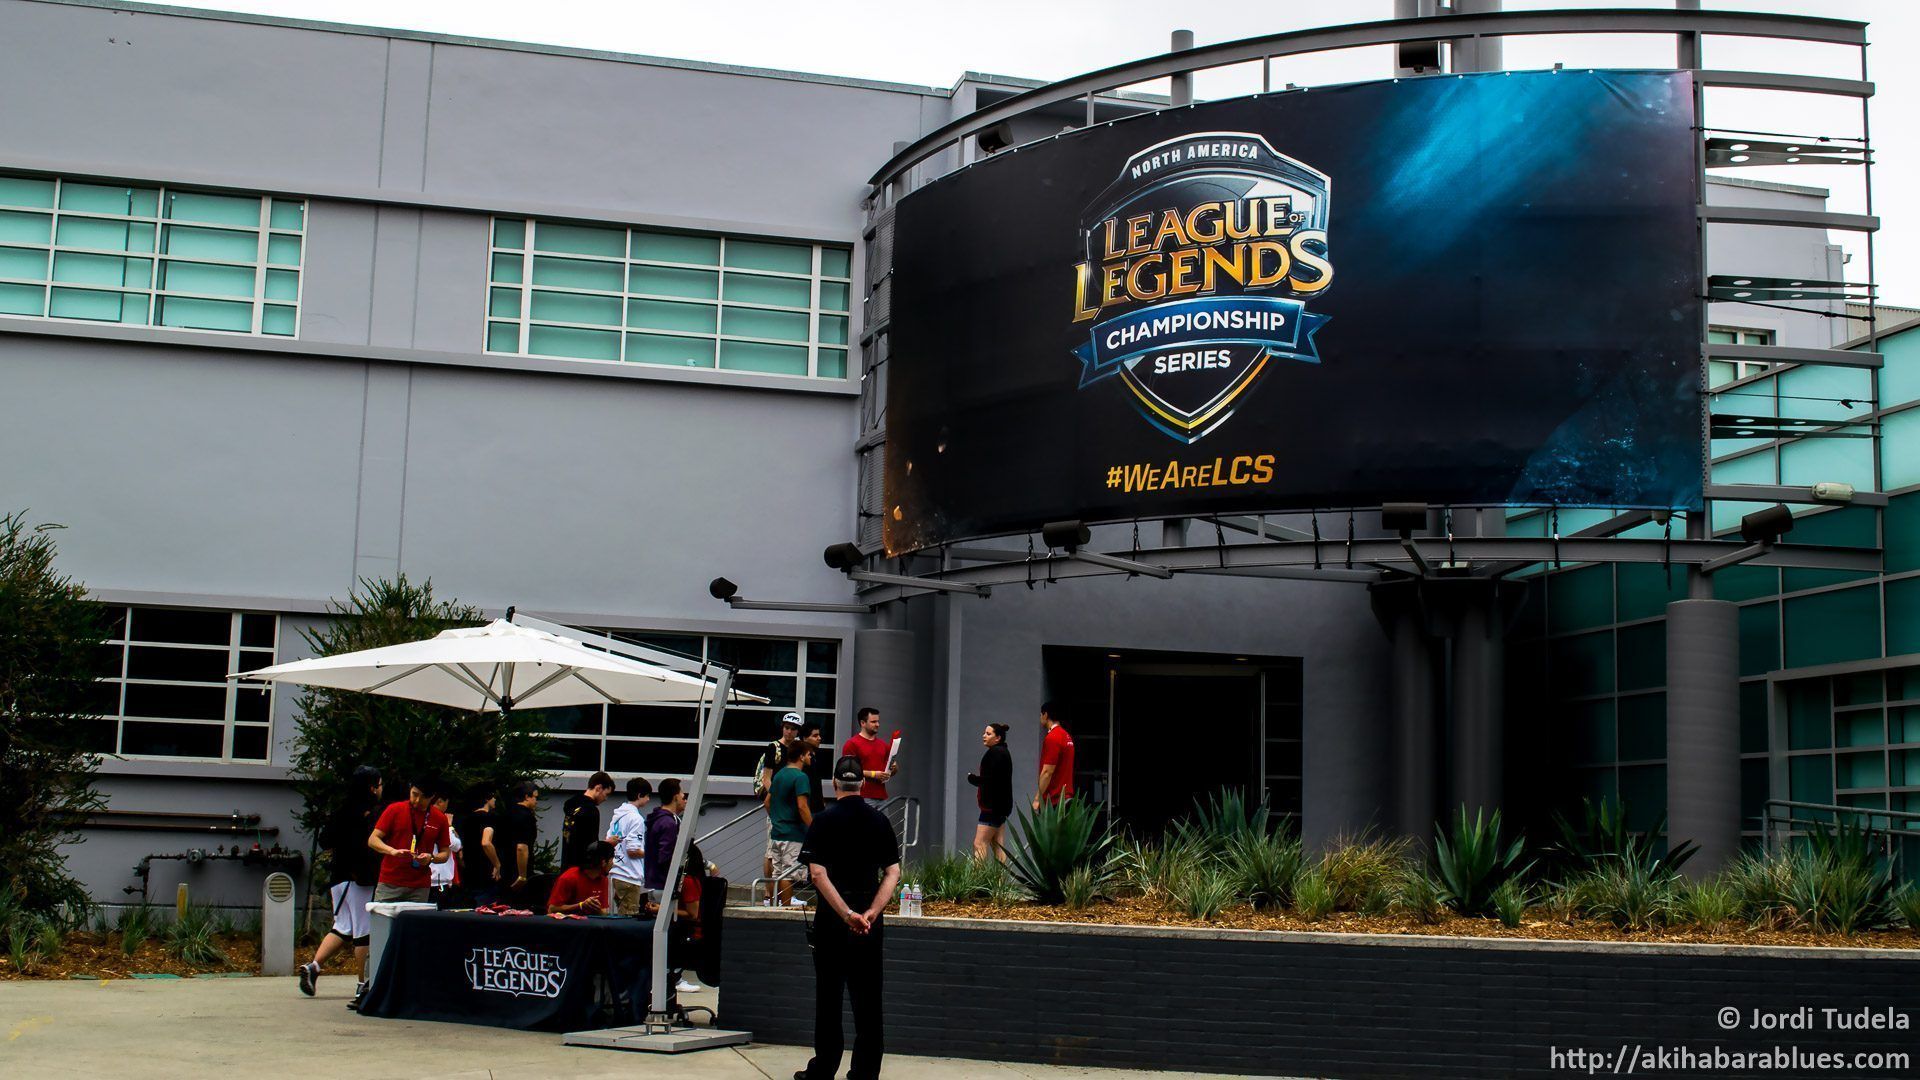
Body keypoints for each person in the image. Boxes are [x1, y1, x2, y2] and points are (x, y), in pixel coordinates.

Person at [797, 756, 901, 1080]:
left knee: (829, 999)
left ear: (834, 783)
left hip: (832, 923)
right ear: (863, 783)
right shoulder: (879, 821)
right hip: (869, 926)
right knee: (868, 1001)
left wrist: (846, 914)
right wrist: (871, 912)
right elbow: (893, 872)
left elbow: (817, 874)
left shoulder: (823, 821)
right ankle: (865, 1072)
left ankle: (823, 1069)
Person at [298, 764, 382, 998]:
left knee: (343, 927)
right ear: (372, 787)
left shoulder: (342, 809)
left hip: (338, 877)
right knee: (363, 932)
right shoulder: (369, 813)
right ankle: (363, 984)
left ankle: (314, 967)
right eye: (379, 784)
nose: (381, 789)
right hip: (359, 879)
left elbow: (325, 840)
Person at [367, 778, 451, 904]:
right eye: (414, 794)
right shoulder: (395, 809)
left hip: (420, 886)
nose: (417, 800)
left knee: (415, 917)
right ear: (410, 790)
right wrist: (392, 851)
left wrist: (432, 858)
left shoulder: (439, 818)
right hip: (390, 882)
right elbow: (373, 839)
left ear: (432, 797)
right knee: (383, 916)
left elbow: (445, 853)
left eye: (423, 797)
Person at [757, 712, 804, 884]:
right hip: (778, 805)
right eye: (786, 728)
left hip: (793, 807)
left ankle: (780, 891)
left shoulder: (799, 748)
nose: (789, 732)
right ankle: (769, 892)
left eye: (793, 729)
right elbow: (766, 778)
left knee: (787, 850)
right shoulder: (774, 748)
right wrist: (777, 798)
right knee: (772, 851)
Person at [767, 740, 815, 904]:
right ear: (801, 756)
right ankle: (785, 910)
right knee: (789, 874)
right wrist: (813, 828)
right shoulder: (801, 777)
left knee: (777, 873)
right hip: (793, 834)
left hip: (777, 832)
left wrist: (776, 818)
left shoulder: (779, 774)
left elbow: (767, 802)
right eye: (808, 754)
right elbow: (802, 806)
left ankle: (773, 908)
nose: (811, 757)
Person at [967, 722, 1013, 861]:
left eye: (988, 734)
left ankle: (978, 875)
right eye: (984, 733)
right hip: (1002, 807)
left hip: (991, 807)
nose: (984, 736)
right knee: (998, 845)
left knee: (979, 844)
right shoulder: (1003, 752)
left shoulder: (994, 753)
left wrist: (973, 778)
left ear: (998, 738)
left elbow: (990, 780)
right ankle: (1001, 876)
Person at [607, 776, 652, 915]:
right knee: (629, 917)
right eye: (647, 796)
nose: (649, 799)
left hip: (616, 872)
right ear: (639, 795)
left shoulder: (617, 816)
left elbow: (609, 840)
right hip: (629, 875)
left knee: (618, 915)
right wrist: (653, 853)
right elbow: (633, 851)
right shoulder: (636, 819)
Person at [453, 787, 502, 906]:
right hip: (485, 872)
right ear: (486, 799)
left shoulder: (465, 820)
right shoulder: (488, 818)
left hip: (469, 872)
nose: (495, 799)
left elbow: (460, 848)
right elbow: (486, 842)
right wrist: (497, 864)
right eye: (493, 797)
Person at [560, 771, 615, 870]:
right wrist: (607, 843)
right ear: (598, 788)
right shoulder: (591, 811)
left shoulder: (572, 806)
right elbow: (591, 846)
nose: (606, 798)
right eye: (606, 794)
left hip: (567, 866)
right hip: (583, 869)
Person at [840, 706, 896, 803]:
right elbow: (848, 771)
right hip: (861, 796)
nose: (877, 724)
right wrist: (873, 774)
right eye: (873, 722)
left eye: (878, 721)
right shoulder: (852, 744)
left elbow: (890, 771)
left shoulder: (883, 745)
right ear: (863, 723)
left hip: (882, 797)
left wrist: (894, 768)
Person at [497, 781, 541, 906]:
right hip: (518, 870)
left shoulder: (507, 813)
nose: (536, 801)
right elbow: (521, 847)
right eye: (535, 797)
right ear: (527, 797)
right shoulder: (526, 816)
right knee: (520, 907)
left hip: (505, 867)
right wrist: (522, 876)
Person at [643, 778, 686, 894]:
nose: (684, 797)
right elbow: (665, 856)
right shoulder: (668, 823)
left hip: (653, 881)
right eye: (681, 793)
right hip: (663, 884)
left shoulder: (658, 819)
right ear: (675, 797)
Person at [547, 840, 614, 914]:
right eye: (611, 860)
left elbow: (604, 912)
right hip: (568, 920)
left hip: (590, 921)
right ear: (603, 862)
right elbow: (552, 909)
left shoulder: (603, 879)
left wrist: (596, 908)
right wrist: (581, 905)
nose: (613, 864)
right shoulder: (569, 877)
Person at [1033, 701, 1076, 810]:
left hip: (1054, 800)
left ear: (1045, 715)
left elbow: (1047, 772)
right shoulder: (1066, 736)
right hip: (1065, 797)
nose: (1040, 718)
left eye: (1041, 715)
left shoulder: (1052, 737)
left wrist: (1037, 799)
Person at [797, 720, 830, 819]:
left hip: (818, 807)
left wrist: (821, 800)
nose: (819, 738)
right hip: (807, 807)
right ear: (805, 738)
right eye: (815, 736)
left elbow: (816, 781)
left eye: (819, 735)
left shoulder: (817, 754)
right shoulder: (800, 758)